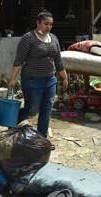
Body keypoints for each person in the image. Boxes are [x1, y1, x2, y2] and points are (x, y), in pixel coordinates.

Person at [8, 9, 68, 137]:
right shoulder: (28, 38)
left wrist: (64, 77)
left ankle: (42, 137)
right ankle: (11, 124)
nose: (49, 27)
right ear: (38, 23)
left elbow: (58, 60)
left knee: (47, 109)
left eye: (51, 24)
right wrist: (12, 79)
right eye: (46, 24)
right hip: (32, 80)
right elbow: (19, 61)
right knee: (31, 109)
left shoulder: (54, 38)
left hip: (50, 80)